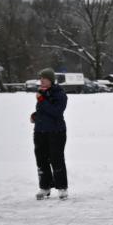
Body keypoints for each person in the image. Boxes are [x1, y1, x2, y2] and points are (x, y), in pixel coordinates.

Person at [31, 68, 69, 200]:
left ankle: (62, 188)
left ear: (51, 80)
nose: (41, 80)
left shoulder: (60, 94)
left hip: (56, 132)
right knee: (41, 160)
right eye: (40, 78)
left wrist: (42, 100)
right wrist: (35, 116)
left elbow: (56, 112)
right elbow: (44, 111)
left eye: (44, 78)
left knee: (56, 159)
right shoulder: (42, 92)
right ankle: (45, 187)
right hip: (40, 131)